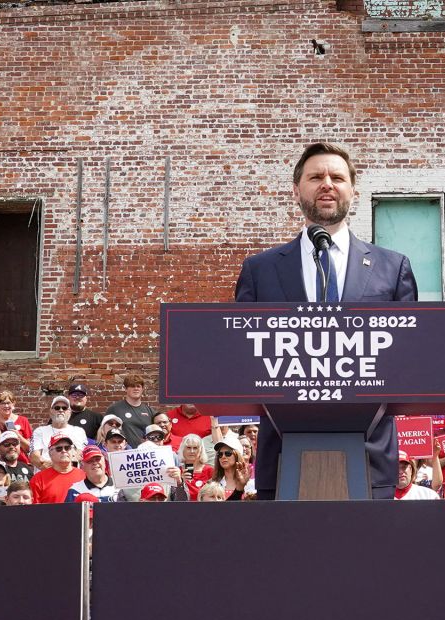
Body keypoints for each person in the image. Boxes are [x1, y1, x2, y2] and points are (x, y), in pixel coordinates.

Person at [234, 142, 416, 499]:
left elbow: (408, 357)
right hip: (284, 455)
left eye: (337, 177)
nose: (327, 184)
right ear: (296, 189)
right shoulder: (260, 270)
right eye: (316, 176)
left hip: (369, 457)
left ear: (354, 190)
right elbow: (242, 358)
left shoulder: (392, 267)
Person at [30, 396, 88, 467]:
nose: (61, 410)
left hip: (72, 476)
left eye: (64, 408)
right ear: (51, 411)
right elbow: (35, 457)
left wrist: (55, 465)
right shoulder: (39, 431)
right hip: (46, 476)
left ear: (70, 412)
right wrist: (61, 466)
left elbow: (80, 455)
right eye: (57, 408)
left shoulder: (79, 431)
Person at [29, 435, 86, 504]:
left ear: (73, 452)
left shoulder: (85, 476)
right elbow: (33, 509)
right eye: (59, 448)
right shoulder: (38, 479)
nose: (64, 451)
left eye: (67, 448)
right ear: (50, 453)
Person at [106, 373, 157, 448]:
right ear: (126, 389)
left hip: (146, 453)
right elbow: (105, 432)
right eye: (132, 386)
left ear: (142, 389)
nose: (136, 389)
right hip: (123, 452)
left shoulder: (150, 411)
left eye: (138, 386)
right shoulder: (115, 409)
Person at [211, 435, 255, 500]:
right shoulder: (212, 484)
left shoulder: (251, 484)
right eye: (220, 454)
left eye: (228, 453)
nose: (223, 457)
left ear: (237, 455)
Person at [176, 433, 215, 501]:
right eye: (188, 448)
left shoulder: (210, 471)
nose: (192, 451)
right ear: (183, 450)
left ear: (201, 450)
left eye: (195, 448)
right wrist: (181, 482)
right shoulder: (177, 472)